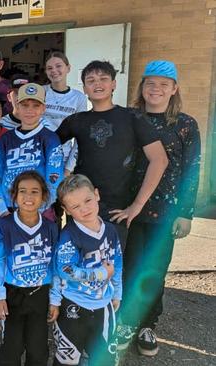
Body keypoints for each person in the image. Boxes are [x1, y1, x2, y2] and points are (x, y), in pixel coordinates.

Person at [116, 60, 201, 356]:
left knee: (154, 270)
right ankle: (125, 322)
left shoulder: (185, 124)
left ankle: (147, 324)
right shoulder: (129, 118)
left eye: (164, 84)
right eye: (150, 83)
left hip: (165, 212)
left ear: (174, 88)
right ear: (142, 87)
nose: (156, 89)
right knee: (127, 267)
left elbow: (192, 168)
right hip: (128, 209)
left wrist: (185, 213)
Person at [56, 60, 168, 245]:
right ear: (84, 88)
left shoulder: (133, 117)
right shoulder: (75, 120)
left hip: (118, 209)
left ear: (114, 84)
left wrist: (136, 206)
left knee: (112, 268)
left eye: (103, 79)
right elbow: (45, 147)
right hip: (81, 206)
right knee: (78, 265)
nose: (97, 84)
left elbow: (159, 160)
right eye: (90, 80)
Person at [50, 174, 123, 366]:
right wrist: (55, 300)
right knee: (68, 357)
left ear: (97, 194)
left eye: (87, 200)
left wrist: (117, 292)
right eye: (75, 206)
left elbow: (117, 262)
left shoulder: (111, 231)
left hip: (104, 304)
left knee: (105, 356)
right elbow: (64, 270)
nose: (84, 209)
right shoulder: (69, 235)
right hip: (73, 305)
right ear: (66, 210)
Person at [0, 171, 59, 366]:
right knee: (11, 348)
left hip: (40, 296)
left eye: (35, 191)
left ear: (44, 196)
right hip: (13, 296)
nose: (28, 197)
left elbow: (56, 265)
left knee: (38, 349)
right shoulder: (4, 225)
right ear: (15, 195)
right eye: (23, 191)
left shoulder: (51, 227)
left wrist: (55, 298)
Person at [0, 83, 64, 218]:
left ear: (43, 108)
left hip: (40, 211)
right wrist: (1, 208)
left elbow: (55, 178)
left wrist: (39, 208)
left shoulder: (50, 138)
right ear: (17, 106)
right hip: (8, 210)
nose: (30, 110)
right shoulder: (5, 139)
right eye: (25, 105)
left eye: (35, 105)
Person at [43, 52, 88, 176]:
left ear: (68, 68)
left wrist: (68, 169)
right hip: (39, 157)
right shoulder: (41, 92)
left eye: (59, 66)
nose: (54, 71)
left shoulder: (79, 98)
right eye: (49, 68)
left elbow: (80, 137)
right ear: (46, 72)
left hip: (63, 159)